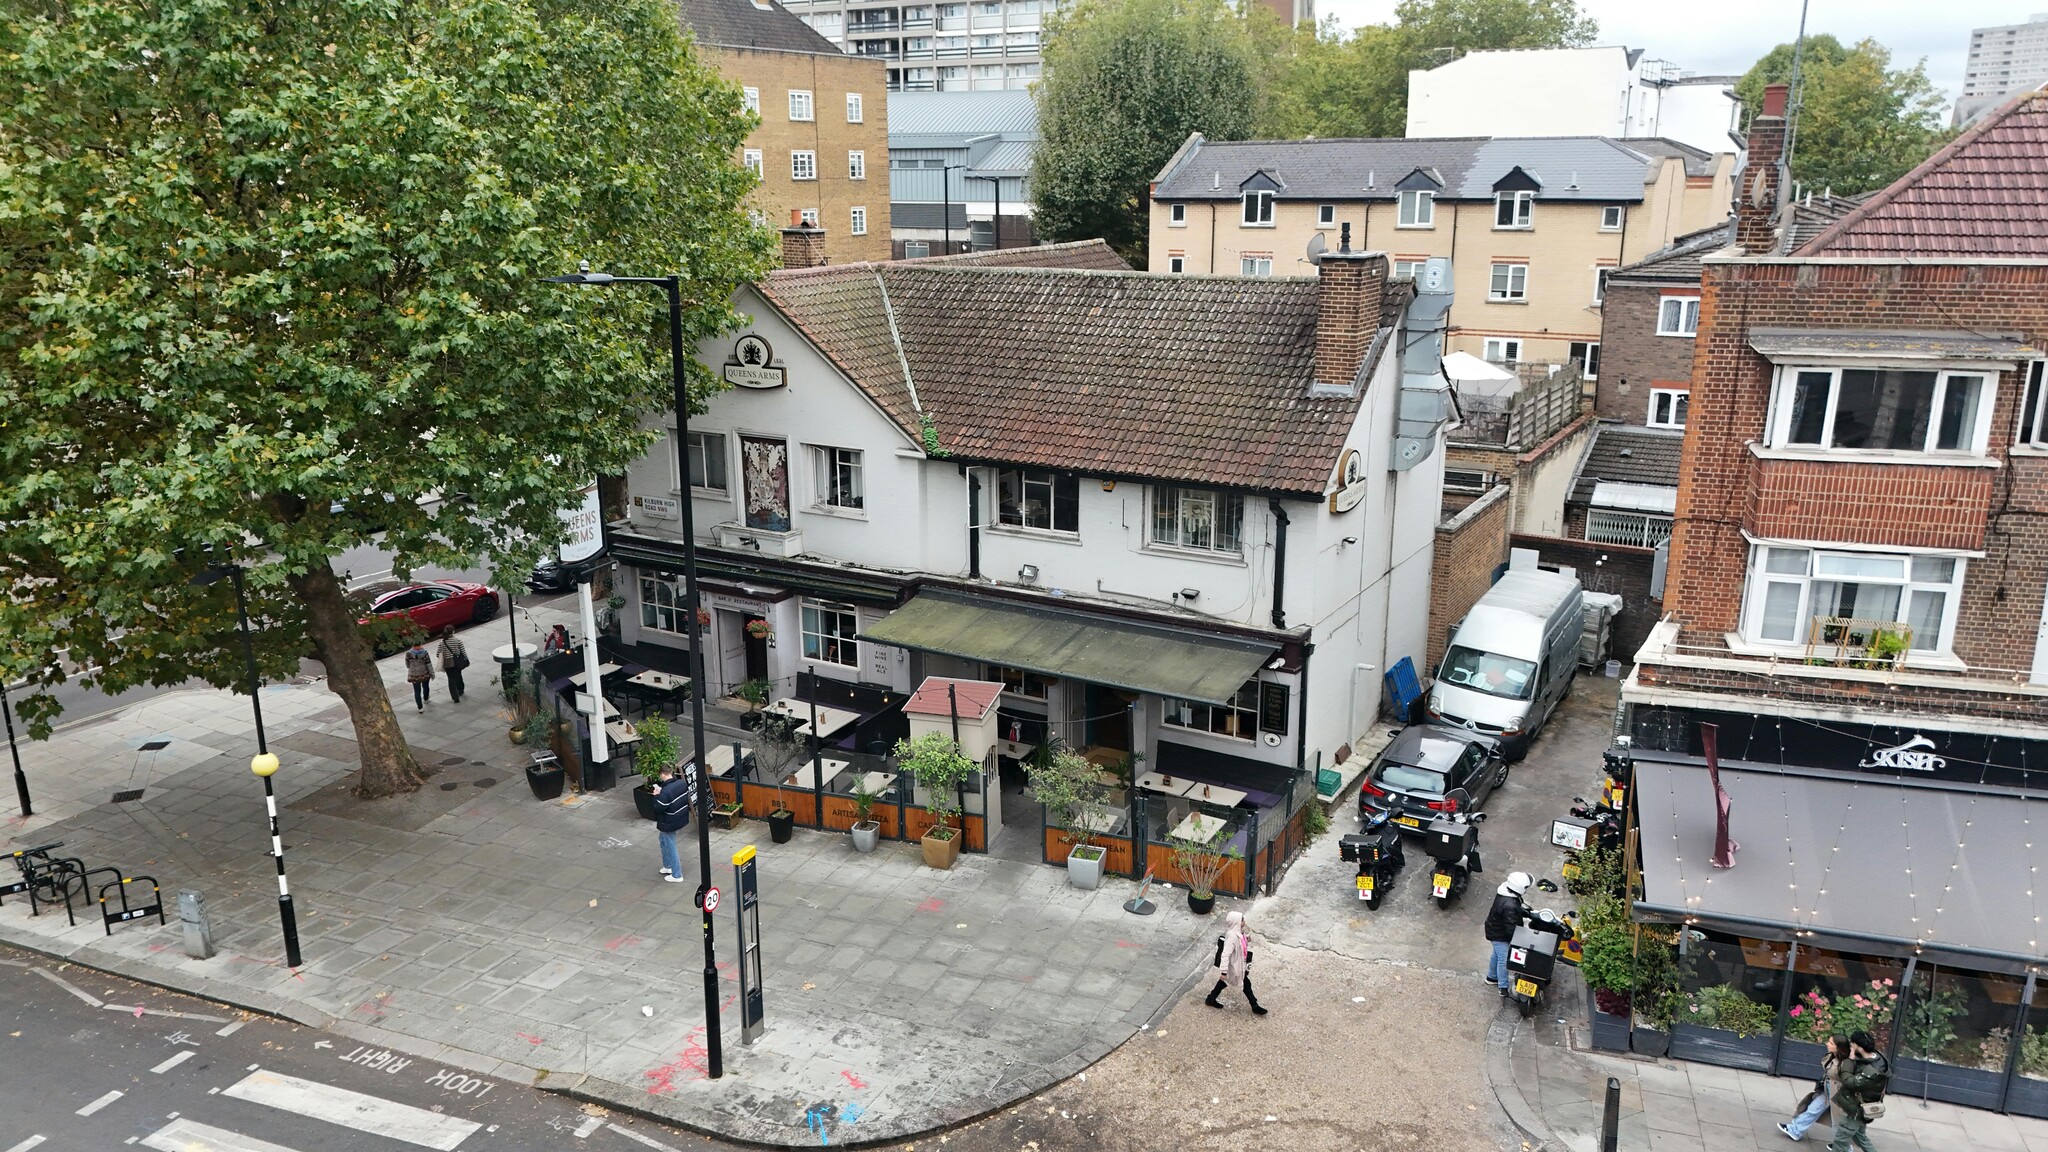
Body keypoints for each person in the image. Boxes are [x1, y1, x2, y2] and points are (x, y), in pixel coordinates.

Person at [1827, 1030, 1890, 1152]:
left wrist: (1849, 1060)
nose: (1850, 1045)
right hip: (1861, 1107)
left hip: (1856, 1111)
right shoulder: (1875, 1058)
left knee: (1840, 1142)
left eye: (1853, 1043)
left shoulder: (1872, 1072)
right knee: (1860, 1138)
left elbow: (1849, 1082)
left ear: (1860, 1048)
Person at [1779, 1034, 1846, 1141]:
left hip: (1838, 1092)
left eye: (1831, 1043)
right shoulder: (1831, 1056)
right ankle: (1795, 1130)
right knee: (1813, 1109)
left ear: (1838, 1047)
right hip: (1828, 1089)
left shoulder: (1846, 1063)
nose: (1827, 1044)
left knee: (1838, 1120)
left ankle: (1844, 1146)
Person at [1204, 910, 1267, 1015]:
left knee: (1226, 982)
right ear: (1236, 922)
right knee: (1245, 984)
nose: (1244, 921)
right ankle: (1254, 1006)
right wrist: (1224, 971)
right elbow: (1225, 954)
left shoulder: (1239, 933)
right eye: (1242, 920)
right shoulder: (1232, 936)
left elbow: (1240, 945)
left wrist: (1246, 939)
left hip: (1238, 964)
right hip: (1234, 966)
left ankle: (1211, 998)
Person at [1484, 872, 1533, 993]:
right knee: (1504, 959)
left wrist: (1523, 912)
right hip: (1499, 935)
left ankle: (1491, 977)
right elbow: (1510, 927)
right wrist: (1517, 941)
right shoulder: (1509, 905)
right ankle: (1503, 987)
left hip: (1494, 930)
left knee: (1496, 955)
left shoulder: (1505, 892)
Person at [652, 763, 693, 883]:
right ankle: (668, 866)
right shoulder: (681, 783)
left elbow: (659, 807)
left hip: (668, 821)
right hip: (679, 817)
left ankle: (677, 874)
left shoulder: (665, 792)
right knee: (663, 839)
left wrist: (656, 796)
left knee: (670, 845)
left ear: (662, 774)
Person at [436, 627, 469, 704]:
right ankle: (460, 690)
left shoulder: (442, 642)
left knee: (451, 679)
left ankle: (455, 697)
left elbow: (438, 654)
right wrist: (466, 660)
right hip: (457, 662)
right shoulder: (458, 641)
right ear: (453, 632)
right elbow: (463, 652)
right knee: (458, 676)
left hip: (448, 663)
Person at [403, 640, 434, 711]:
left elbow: (407, 664)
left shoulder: (408, 653)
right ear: (420, 644)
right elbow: (428, 663)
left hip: (414, 675)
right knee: (426, 687)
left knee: (417, 691)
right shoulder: (424, 652)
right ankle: (426, 698)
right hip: (424, 673)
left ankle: (420, 707)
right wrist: (432, 673)